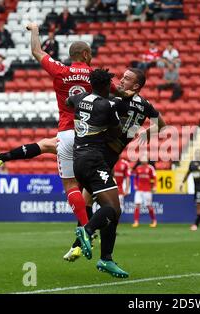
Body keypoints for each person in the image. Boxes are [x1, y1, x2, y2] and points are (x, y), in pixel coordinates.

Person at [0, 22, 97, 234]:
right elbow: (120, 93)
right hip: (91, 135)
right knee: (47, 147)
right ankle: (88, 232)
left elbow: (36, 51)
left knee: (71, 184)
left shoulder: (61, 71)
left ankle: (86, 229)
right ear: (86, 54)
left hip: (68, 132)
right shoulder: (96, 76)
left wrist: (34, 29)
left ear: (72, 55)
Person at [72, 68, 166, 270]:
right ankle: (88, 244)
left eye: (127, 78)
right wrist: (144, 135)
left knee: (94, 201)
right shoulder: (145, 105)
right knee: (105, 206)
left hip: (99, 153)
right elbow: (162, 125)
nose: (121, 80)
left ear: (136, 85)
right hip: (100, 155)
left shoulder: (114, 100)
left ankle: (85, 241)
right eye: (122, 77)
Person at [67, 68, 128, 277]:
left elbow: (68, 101)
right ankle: (87, 230)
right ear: (105, 86)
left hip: (78, 161)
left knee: (113, 211)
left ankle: (106, 259)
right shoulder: (108, 105)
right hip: (94, 160)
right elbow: (117, 131)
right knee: (112, 208)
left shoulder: (78, 97)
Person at [132, 155, 157, 228]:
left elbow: (154, 178)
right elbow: (136, 178)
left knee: (149, 205)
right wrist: (135, 185)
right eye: (142, 159)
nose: (143, 160)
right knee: (137, 205)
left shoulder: (150, 168)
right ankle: (136, 222)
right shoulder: (138, 168)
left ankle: (154, 221)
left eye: (145, 159)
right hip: (139, 190)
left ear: (147, 160)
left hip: (147, 190)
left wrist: (154, 186)